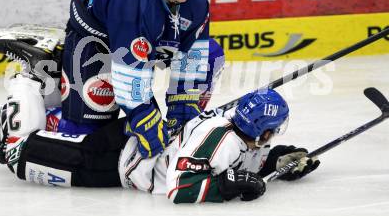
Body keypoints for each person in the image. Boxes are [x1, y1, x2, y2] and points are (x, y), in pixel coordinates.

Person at [0, 0, 225, 187]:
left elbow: (193, 58)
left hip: (144, 35)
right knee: (85, 133)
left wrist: (183, 118)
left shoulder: (197, 3)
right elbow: (131, 76)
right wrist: (145, 117)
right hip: (95, 34)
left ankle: (66, 83)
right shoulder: (134, 2)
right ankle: (43, 87)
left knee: (211, 54)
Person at [118, 89, 320, 203]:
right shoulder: (223, 140)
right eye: (275, 128)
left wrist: (276, 162)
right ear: (265, 132)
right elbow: (178, 187)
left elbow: (237, 164)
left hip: (142, 145)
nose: (274, 134)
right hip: (119, 159)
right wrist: (225, 186)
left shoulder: (248, 132)